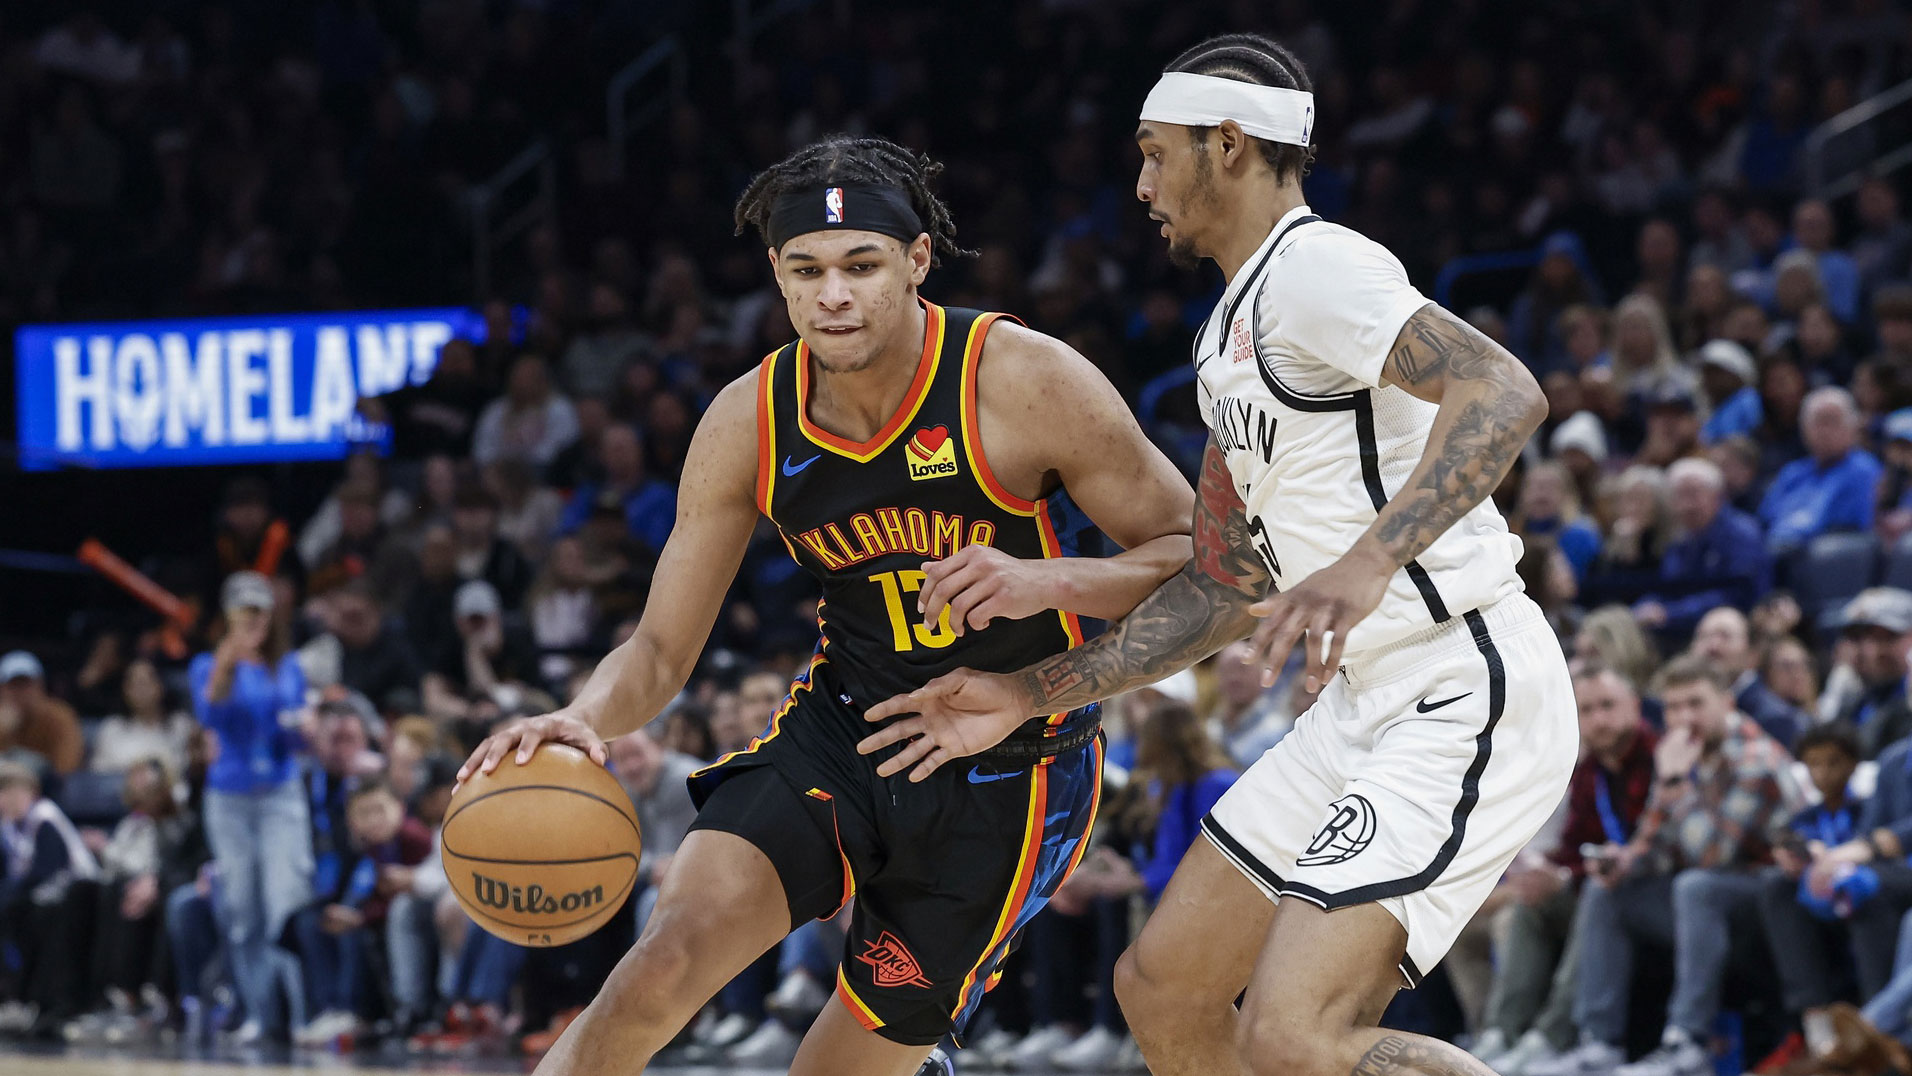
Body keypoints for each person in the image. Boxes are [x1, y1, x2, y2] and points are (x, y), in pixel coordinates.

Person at [862, 34, 1577, 1076]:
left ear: (1229, 146)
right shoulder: (1225, 339)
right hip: (1358, 706)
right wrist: (1028, 689)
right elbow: (1222, 586)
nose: (1142, 184)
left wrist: (1369, 559)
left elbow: (1503, 389)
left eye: (1156, 153)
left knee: (1296, 1034)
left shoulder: (1315, 268)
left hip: (1462, 681)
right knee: (1164, 987)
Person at [460, 133, 1198, 1076]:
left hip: (1011, 769)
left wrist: (1050, 580)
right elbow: (656, 652)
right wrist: (579, 717)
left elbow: (1205, 559)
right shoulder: (748, 417)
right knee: (657, 969)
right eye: (806, 270)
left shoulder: (1021, 379)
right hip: (839, 733)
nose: (833, 295)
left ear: (918, 260)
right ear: (776, 272)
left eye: (862, 266)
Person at [1531, 658, 1798, 1076]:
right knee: (1608, 892)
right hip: (1708, 900)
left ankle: (1687, 1044)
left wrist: (1675, 782)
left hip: (1772, 902)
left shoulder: (1755, 757)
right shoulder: (1682, 751)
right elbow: (1652, 845)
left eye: (1696, 703)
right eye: (1673, 707)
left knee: (1695, 886)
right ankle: (1599, 1043)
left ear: (1727, 702)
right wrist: (1621, 864)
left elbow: (1714, 856)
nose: (1684, 717)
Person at [1472, 659, 1659, 1076]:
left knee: (1597, 897)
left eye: (1608, 706)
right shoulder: (1591, 773)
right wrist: (1546, 870)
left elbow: (1661, 847)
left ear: (1634, 705)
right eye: (1586, 711)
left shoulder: (1660, 760)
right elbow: (1574, 848)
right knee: (1530, 903)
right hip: (1600, 885)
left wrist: (1568, 875)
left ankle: (1551, 1038)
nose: (1598, 720)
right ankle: (1501, 1033)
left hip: (1649, 893)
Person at [187, 570, 312, 1043]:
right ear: (228, 615)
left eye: (259, 610)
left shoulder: (288, 665)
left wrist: (306, 724)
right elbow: (210, 714)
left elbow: (293, 731)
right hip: (230, 797)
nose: (253, 620)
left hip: (279, 793)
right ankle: (260, 1013)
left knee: (285, 901)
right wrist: (229, 660)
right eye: (243, 611)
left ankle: (300, 1017)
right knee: (242, 909)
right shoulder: (209, 664)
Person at [1755, 721, 1865, 1063]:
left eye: (1833, 762)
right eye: (1814, 763)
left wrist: (1834, 861)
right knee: (1775, 885)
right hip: (1817, 915)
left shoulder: (1868, 809)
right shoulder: (1802, 821)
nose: (1823, 773)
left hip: (1863, 906)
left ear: (1853, 763)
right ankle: (1813, 1023)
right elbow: (1790, 852)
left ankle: (1879, 1032)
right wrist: (1794, 862)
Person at [0, 759, 99, 1035]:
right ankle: (15, 999)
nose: (4, 800)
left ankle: (50, 1003)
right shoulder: (11, 828)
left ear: (27, 792)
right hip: (45, 899)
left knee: (27, 913)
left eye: (8, 792)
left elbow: (46, 871)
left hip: (80, 894)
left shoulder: (44, 817)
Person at [1630, 458, 1769, 639]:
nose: (1686, 505)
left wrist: (1670, 613)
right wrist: (1644, 608)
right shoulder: (1680, 538)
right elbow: (1668, 587)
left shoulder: (1742, 534)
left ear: (1717, 496)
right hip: (1683, 627)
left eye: (1693, 494)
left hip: (1734, 629)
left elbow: (1738, 595)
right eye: (1679, 496)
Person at [1759, 387, 1883, 556]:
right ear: (1803, 429)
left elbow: (1857, 528)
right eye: (1817, 422)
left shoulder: (1864, 471)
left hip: (1827, 561)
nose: (1824, 431)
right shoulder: (1792, 473)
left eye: (1832, 421)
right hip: (1775, 556)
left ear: (1853, 426)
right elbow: (1765, 519)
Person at [1685, 607, 1806, 748]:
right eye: (1704, 636)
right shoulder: (1677, 709)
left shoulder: (1775, 717)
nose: (1713, 646)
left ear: (1751, 652)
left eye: (1725, 636)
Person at [87, 657, 196, 776]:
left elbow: (193, 770)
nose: (140, 690)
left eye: (145, 683)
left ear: (160, 686)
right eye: (133, 684)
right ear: (125, 691)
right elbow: (100, 778)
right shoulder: (111, 729)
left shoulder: (181, 725)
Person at [0, 650, 84, 776]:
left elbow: (67, 766)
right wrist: (4, 732)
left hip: (46, 787)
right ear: (2, 690)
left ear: (40, 686)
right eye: (13, 686)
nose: (20, 693)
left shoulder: (59, 716)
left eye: (25, 685)